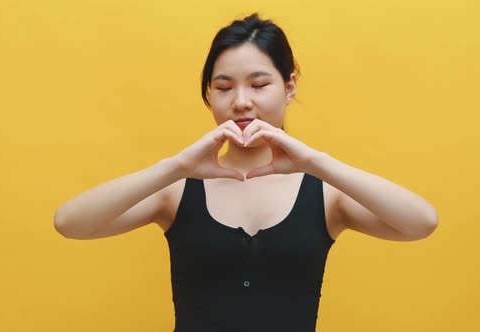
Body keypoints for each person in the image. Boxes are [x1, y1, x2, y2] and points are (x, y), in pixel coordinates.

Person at [54, 13, 438, 332]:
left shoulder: (325, 193)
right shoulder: (176, 189)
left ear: (289, 88)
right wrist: (174, 167)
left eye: (258, 84)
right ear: (210, 95)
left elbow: (420, 222)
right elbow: (71, 223)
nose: (241, 102)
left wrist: (315, 162)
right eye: (223, 88)